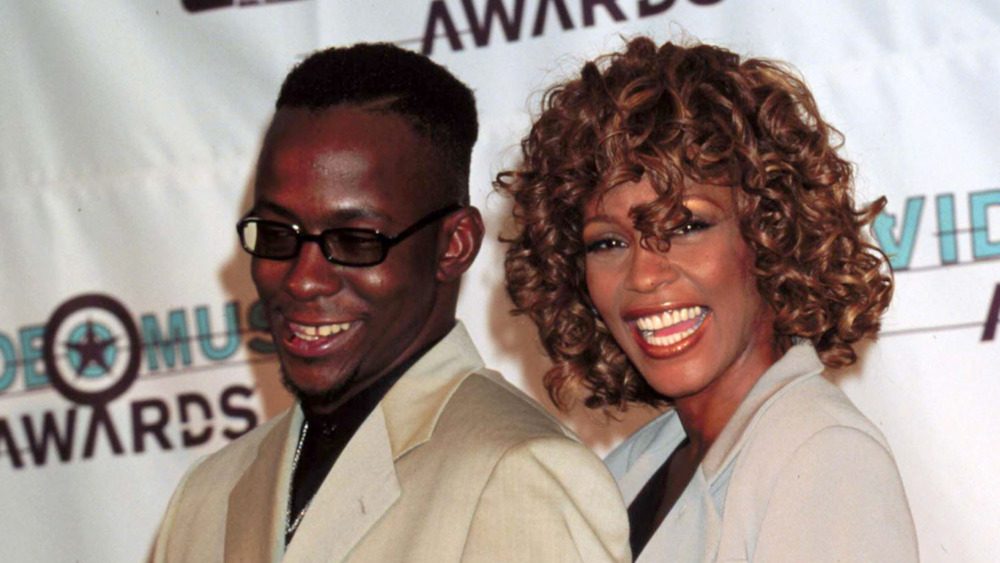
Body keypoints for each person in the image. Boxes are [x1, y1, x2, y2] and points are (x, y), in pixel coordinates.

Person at [151, 43, 629, 562]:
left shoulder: (518, 473)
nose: (304, 280)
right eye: (277, 232)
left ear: (454, 245)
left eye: (355, 241)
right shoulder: (208, 495)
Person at [497, 37, 919, 561]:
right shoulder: (641, 463)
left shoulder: (822, 453)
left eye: (687, 226)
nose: (645, 275)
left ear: (771, 235)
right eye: (608, 242)